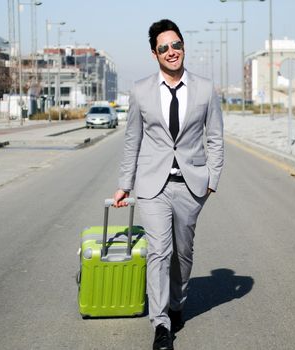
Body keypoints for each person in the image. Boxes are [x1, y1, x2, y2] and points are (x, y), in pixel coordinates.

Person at [113, 19, 224, 350]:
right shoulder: (141, 90)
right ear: (154, 53)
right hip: (152, 187)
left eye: (176, 45)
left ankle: (177, 302)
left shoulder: (205, 89)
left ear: (183, 47)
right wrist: (124, 184)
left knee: (182, 254)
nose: (171, 52)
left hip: (191, 186)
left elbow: (215, 137)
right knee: (159, 252)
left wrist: (212, 180)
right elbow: (132, 140)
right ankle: (161, 323)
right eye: (164, 48)